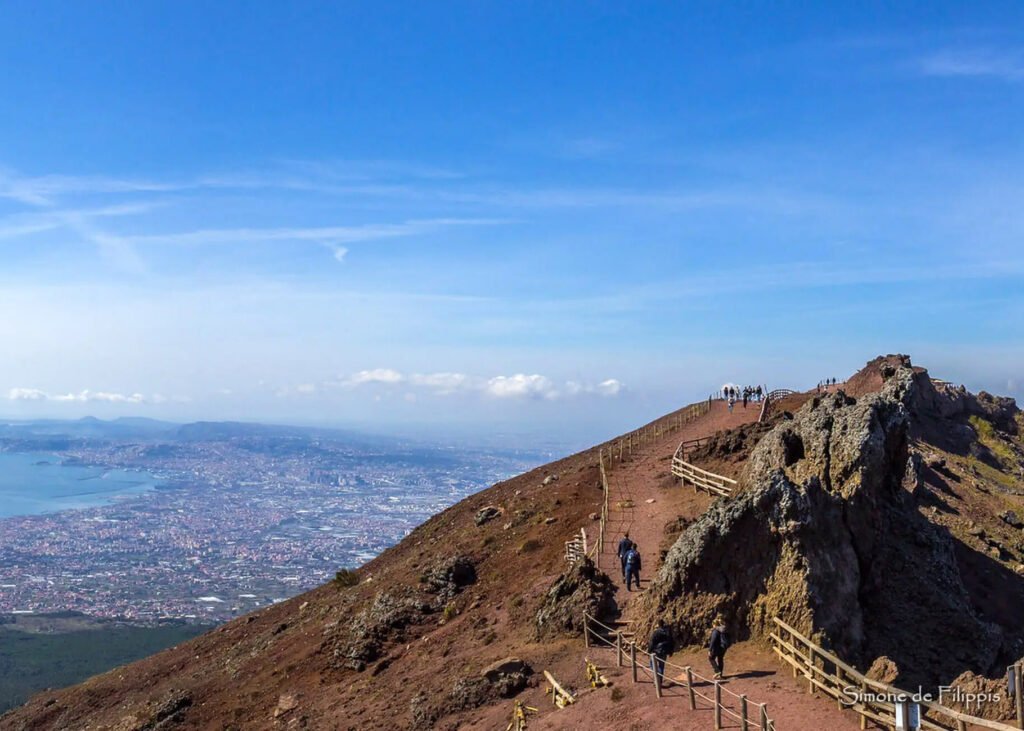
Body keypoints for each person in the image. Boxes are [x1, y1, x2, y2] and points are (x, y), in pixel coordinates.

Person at [648, 619, 674, 685]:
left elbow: (652, 642)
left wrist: (649, 651)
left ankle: (657, 678)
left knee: (651, 664)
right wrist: (671, 652)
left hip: (656, 652)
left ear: (658, 625)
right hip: (664, 652)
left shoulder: (656, 632)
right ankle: (659, 682)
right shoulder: (668, 633)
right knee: (661, 667)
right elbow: (671, 642)